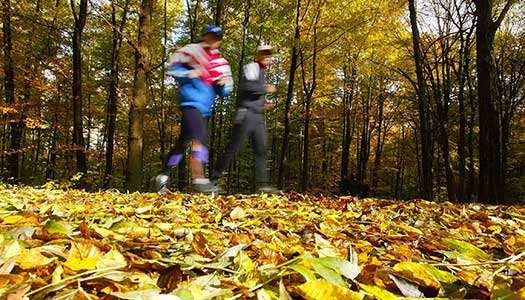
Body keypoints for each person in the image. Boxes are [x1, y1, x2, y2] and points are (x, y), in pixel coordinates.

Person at [153, 25, 233, 193]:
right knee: (200, 138)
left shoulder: (221, 64)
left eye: (217, 38)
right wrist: (189, 75)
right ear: (205, 36)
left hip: (205, 109)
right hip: (190, 102)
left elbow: (227, 90)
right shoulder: (192, 51)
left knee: (182, 143)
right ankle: (198, 178)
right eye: (211, 36)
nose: (213, 40)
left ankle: (163, 176)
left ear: (220, 41)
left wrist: (222, 85)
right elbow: (172, 67)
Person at [211, 45, 279, 194]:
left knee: (261, 149)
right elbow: (246, 86)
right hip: (246, 113)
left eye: (269, 54)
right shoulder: (252, 67)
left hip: (257, 116)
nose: (267, 56)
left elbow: (253, 92)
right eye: (265, 53)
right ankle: (214, 179)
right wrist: (265, 89)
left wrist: (263, 104)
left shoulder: (262, 71)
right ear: (258, 54)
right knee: (233, 148)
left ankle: (263, 185)